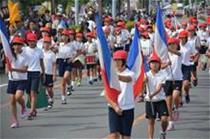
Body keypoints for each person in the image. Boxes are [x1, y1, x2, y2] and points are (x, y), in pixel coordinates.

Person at [105, 50, 135, 139]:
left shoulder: (130, 73)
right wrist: (115, 106)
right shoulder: (110, 75)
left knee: (125, 137)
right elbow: (106, 94)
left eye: (119, 60)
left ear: (124, 61)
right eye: (115, 60)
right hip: (113, 109)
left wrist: (114, 76)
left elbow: (128, 79)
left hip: (127, 108)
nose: (116, 62)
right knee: (113, 136)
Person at [144, 52, 168, 139]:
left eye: (156, 63)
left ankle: (163, 131)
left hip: (160, 100)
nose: (154, 64)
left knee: (164, 119)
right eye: (152, 63)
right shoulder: (146, 75)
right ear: (149, 64)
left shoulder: (163, 74)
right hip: (150, 101)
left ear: (159, 64)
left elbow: (159, 88)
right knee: (151, 121)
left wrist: (152, 94)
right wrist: (144, 81)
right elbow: (141, 88)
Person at [6, 36, 28, 128]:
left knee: (18, 96)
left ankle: (23, 106)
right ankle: (15, 121)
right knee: (12, 101)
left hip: (22, 80)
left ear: (22, 45)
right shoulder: (9, 55)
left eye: (19, 44)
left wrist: (13, 69)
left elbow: (24, 70)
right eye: (15, 44)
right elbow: (7, 68)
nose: (17, 46)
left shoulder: (25, 56)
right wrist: (8, 70)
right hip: (12, 80)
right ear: (13, 46)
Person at [163, 37, 183, 131]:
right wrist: (166, 64)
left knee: (175, 96)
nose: (171, 45)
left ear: (177, 45)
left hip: (177, 79)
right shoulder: (165, 56)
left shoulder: (179, 54)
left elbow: (178, 53)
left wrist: (169, 49)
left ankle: (176, 108)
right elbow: (161, 67)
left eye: (173, 44)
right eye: (170, 44)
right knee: (168, 102)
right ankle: (171, 122)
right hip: (167, 80)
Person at [24, 33, 45, 120]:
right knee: (28, 92)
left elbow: (41, 62)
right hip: (26, 73)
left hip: (36, 73)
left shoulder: (39, 51)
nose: (32, 42)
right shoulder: (24, 50)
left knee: (33, 92)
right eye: (30, 41)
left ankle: (32, 111)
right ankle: (34, 109)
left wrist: (43, 72)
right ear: (27, 41)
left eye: (33, 41)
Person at [55, 29, 76, 104]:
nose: (64, 37)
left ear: (68, 37)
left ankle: (69, 85)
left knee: (65, 77)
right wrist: (55, 45)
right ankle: (63, 98)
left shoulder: (71, 45)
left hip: (68, 62)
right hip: (61, 62)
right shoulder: (59, 45)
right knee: (63, 82)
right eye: (63, 36)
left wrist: (72, 58)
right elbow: (53, 50)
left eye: (66, 36)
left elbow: (77, 52)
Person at [179, 30, 198, 104]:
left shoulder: (190, 45)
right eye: (180, 38)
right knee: (179, 84)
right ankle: (179, 99)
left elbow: (196, 53)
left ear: (186, 38)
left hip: (186, 66)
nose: (181, 39)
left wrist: (194, 62)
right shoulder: (177, 45)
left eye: (183, 38)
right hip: (178, 66)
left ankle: (186, 93)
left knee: (186, 84)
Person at [43, 36, 56, 109]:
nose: (46, 44)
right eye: (45, 43)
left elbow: (54, 65)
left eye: (48, 43)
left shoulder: (52, 54)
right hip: (42, 74)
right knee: (44, 89)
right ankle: (47, 102)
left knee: (49, 89)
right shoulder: (40, 52)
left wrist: (54, 74)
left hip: (49, 73)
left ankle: (51, 97)